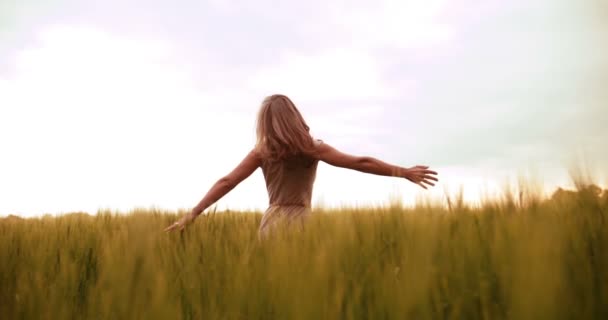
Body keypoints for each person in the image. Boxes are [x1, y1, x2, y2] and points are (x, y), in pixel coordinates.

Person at [164, 94, 438, 235]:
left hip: (271, 222)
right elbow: (359, 162)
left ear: (264, 123)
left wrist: (192, 215)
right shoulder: (313, 148)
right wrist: (403, 173)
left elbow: (227, 182)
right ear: (295, 117)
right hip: (303, 222)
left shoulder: (262, 152)